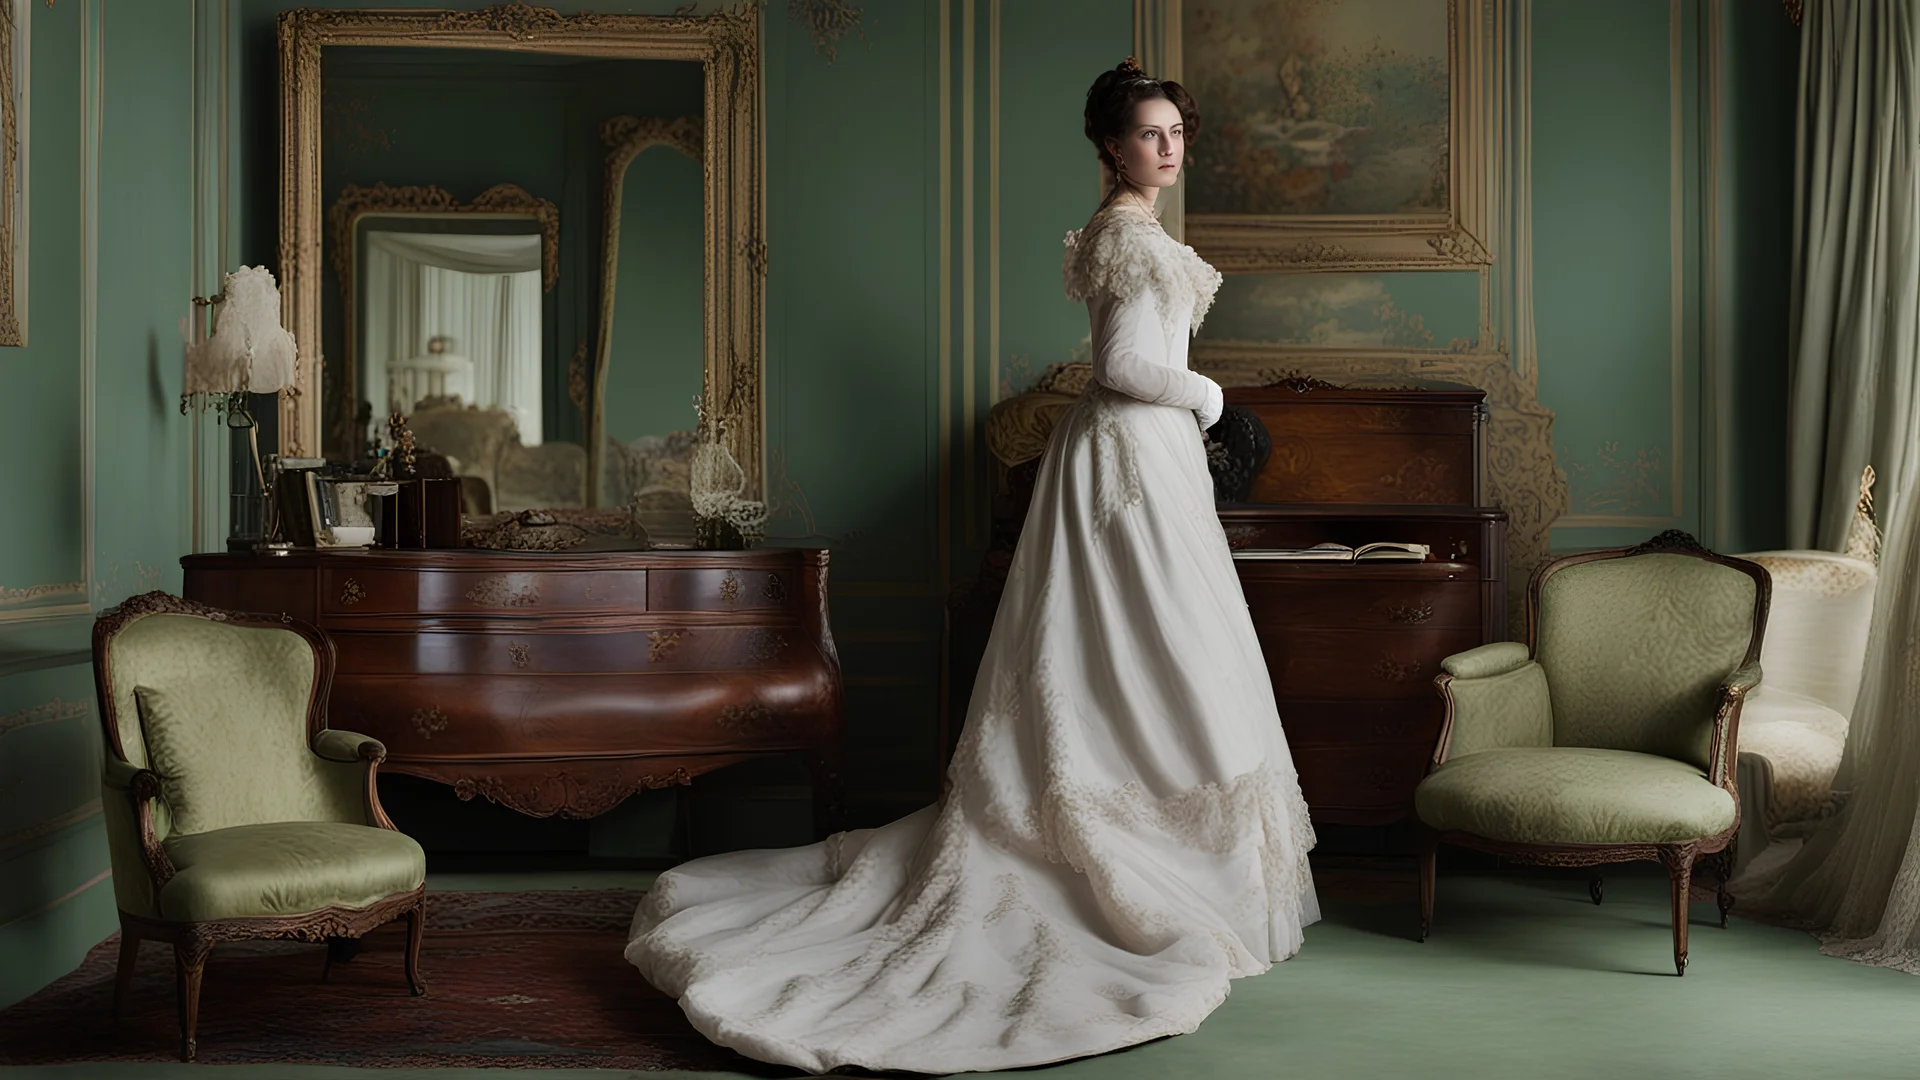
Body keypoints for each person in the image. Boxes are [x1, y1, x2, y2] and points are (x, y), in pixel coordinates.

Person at [625, 57, 1319, 1074]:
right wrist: (1212, 400)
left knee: (1146, 651)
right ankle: (1125, 856)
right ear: (1110, 146)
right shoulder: (1128, 235)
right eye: (1149, 134)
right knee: (1148, 647)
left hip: (1134, 457)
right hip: (1131, 449)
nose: (1168, 148)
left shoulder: (1132, 231)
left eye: (1177, 132)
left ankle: (1152, 845)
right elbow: (1123, 369)